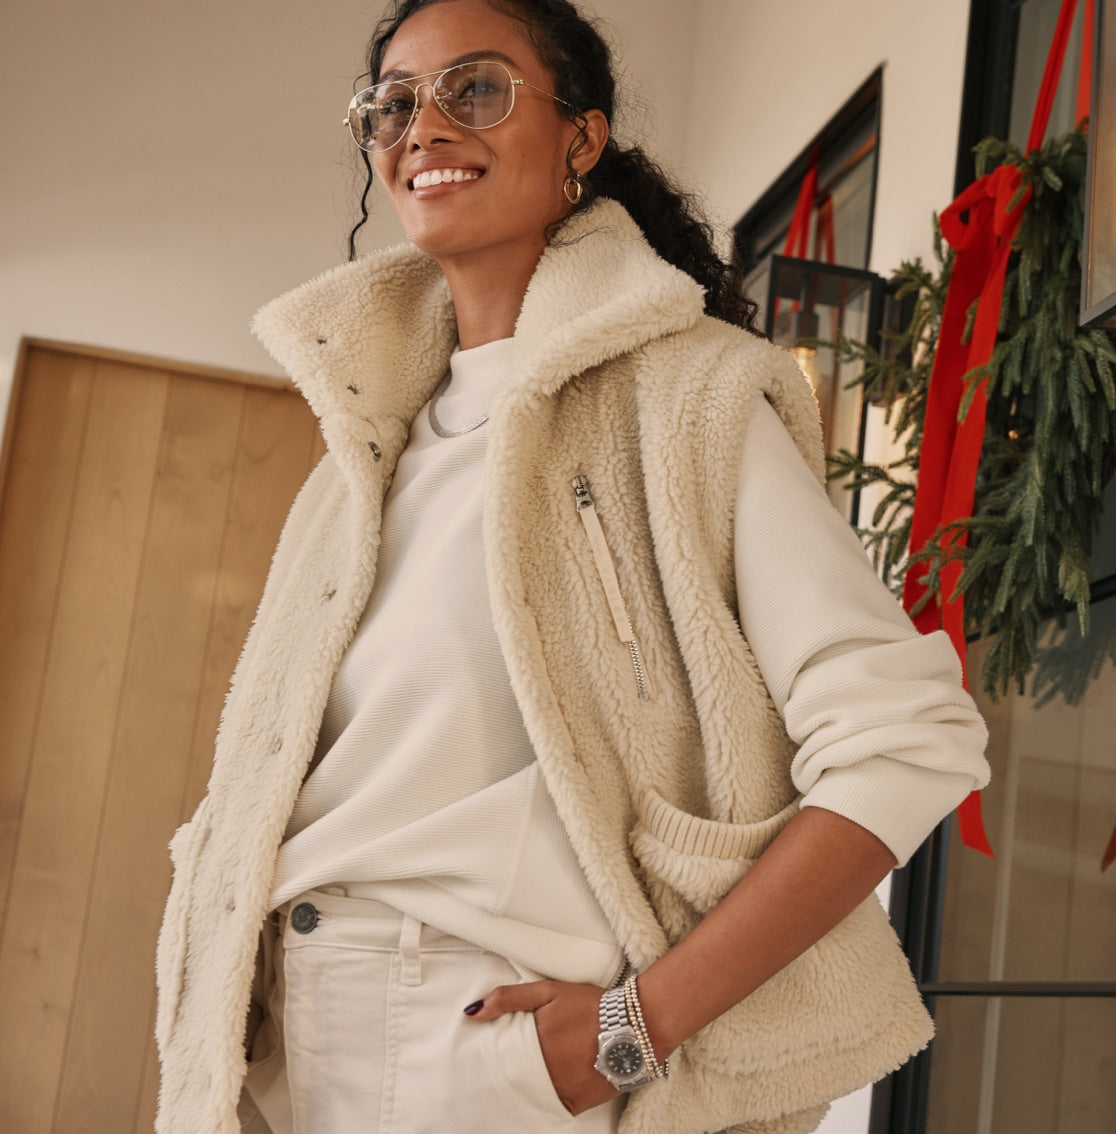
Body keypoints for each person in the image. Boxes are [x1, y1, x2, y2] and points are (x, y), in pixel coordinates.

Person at [154, 1, 990, 1132]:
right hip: (275, 1042)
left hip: (474, 1041)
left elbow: (908, 741)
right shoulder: (362, 449)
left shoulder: (689, 395)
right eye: (393, 104)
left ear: (582, 139)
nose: (425, 127)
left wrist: (628, 1032)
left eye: (478, 89)